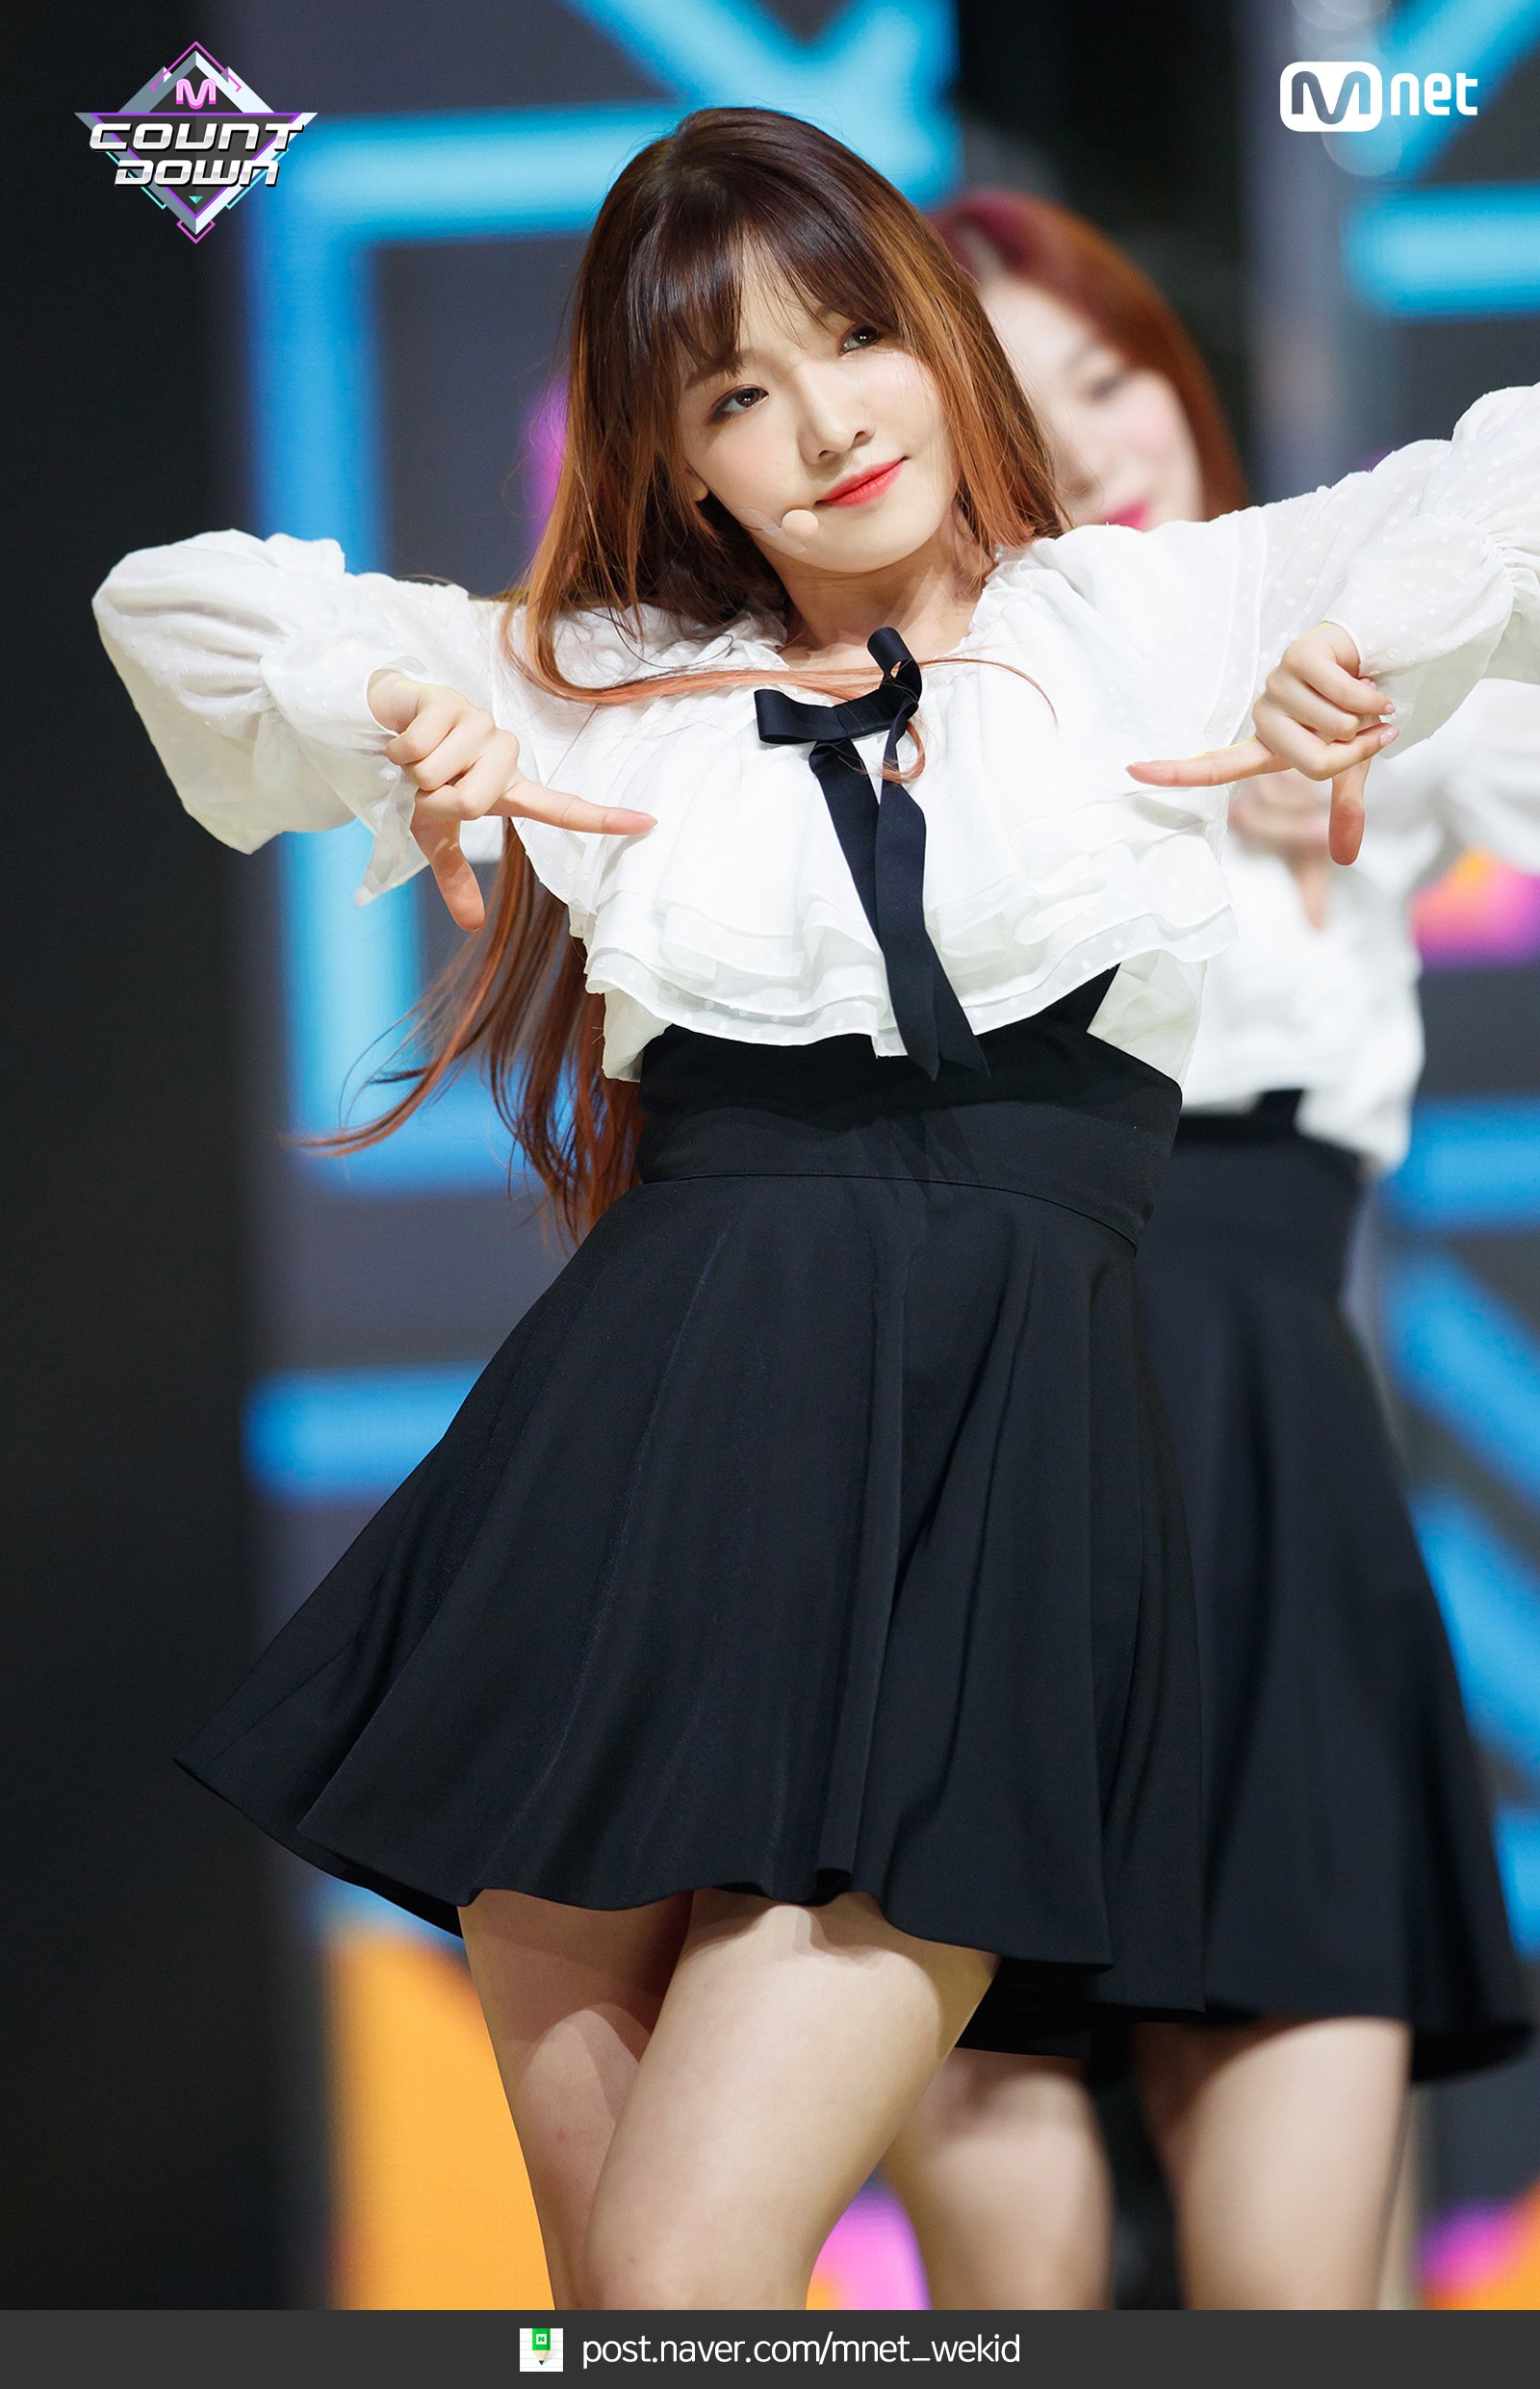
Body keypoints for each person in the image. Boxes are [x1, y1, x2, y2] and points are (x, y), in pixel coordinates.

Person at [91, 111, 1539, 2312]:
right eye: (735, 393)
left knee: (687, 2261)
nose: (826, 423)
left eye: (854, 339)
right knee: (629, 2303)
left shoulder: (1144, 616)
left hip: (984, 1488)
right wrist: (382, 697)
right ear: (683, 466)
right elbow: (171, 603)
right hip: (625, 1494)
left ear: (937, 336)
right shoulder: (600, 672)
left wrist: (1376, 641)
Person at [880, 188, 1537, 2312]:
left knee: (1292, 2278)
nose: (1097, 438)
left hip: (1268, 1469)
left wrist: (1383, 653)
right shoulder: (909, 734)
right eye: (1026, 407)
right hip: (977, 1481)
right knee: (1007, 2266)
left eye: (1114, 370)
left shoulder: (1368, 669)